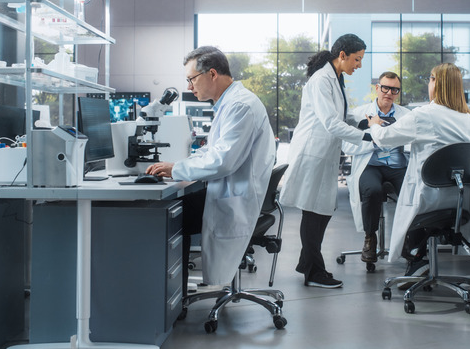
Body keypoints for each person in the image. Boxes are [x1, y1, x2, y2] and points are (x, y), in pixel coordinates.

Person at [146, 46, 276, 288]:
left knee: (167, 212)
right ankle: (174, 292)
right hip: (230, 189)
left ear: (212, 74)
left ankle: (175, 294)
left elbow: (223, 161)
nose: (189, 87)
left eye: (191, 79)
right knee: (172, 208)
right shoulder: (229, 103)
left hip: (235, 197)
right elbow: (213, 150)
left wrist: (176, 169)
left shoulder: (240, 106)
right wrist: (180, 165)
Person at [366, 62, 470, 269]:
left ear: (436, 83)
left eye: (430, 79)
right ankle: (419, 259)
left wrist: (374, 125)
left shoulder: (423, 115)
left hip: (427, 199)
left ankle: (417, 260)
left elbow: (385, 139)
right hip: (459, 202)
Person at [280, 33, 370, 289]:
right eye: (357, 59)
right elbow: (331, 122)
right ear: (342, 55)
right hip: (312, 152)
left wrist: (365, 122)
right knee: (314, 211)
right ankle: (313, 271)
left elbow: (340, 114)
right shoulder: (322, 80)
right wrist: (366, 136)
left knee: (322, 210)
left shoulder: (336, 77)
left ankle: (307, 262)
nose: (359, 65)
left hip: (323, 153)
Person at [341, 71, 410, 263]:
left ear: (398, 92)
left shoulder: (406, 116)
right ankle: (370, 238)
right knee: (373, 190)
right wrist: (375, 137)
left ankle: (408, 239)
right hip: (370, 165)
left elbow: (414, 141)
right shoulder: (358, 114)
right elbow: (346, 145)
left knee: (412, 191)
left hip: (398, 165)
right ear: (377, 88)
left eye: (394, 89)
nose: (389, 92)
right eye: (385, 88)